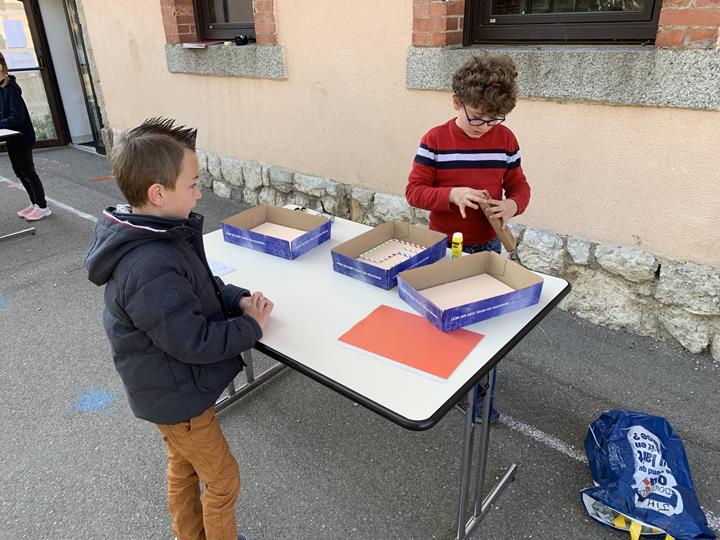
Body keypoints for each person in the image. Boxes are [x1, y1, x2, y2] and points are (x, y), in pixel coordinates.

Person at [85, 117, 273, 540]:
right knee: (223, 480)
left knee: (183, 467)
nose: (199, 191)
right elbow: (193, 340)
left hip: (169, 393)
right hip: (178, 399)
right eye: (193, 183)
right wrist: (250, 327)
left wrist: (236, 298)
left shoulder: (162, 234)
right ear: (158, 193)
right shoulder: (150, 264)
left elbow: (200, 287)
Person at [405, 51, 531, 423]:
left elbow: (519, 186)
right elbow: (414, 192)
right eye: (476, 116)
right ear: (456, 101)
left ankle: (476, 393)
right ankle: (442, 381)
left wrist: (511, 207)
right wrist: (451, 195)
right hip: (445, 249)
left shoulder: (505, 138)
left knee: (482, 324)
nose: (483, 126)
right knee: (446, 319)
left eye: (493, 119)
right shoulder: (436, 140)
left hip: (488, 247)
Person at [0, 52, 51, 221]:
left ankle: (43, 206)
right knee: (20, 172)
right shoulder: (1, 89)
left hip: (22, 137)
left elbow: (17, 117)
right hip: (12, 138)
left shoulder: (10, 90)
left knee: (28, 172)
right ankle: (34, 203)